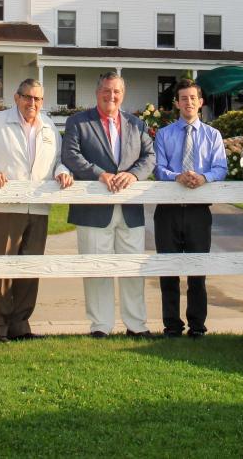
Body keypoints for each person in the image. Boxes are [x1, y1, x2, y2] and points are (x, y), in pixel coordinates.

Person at [0, 78, 73, 342]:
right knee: (3, 269)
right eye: (27, 97)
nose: (32, 103)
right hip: (6, 207)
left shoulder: (48, 126)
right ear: (17, 97)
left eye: (37, 99)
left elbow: (60, 160)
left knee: (30, 268)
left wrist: (62, 172)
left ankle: (20, 326)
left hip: (38, 208)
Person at [61, 71, 156, 338]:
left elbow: (150, 156)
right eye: (106, 90)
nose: (111, 96)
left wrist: (133, 174)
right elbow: (70, 154)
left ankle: (136, 325)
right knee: (96, 268)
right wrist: (99, 174)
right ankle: (100, 325)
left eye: (116, 91)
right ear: (97, 92)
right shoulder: (79, 122)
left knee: (132, 269)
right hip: (92, 209)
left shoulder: (136, 124)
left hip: (130, 209)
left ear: (122, 94)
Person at [152, 78, 228, 337]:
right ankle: (172, 325)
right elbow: (158, 168)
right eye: (183, 98)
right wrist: (177, 176)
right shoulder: (164, 135)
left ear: (201, 102)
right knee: (168, 270)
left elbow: (221, 168)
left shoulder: (213, 135)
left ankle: (197, 326)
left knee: (198, 270)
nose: (188, 102)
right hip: (167, 211)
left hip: (198, 211)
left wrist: (204, 177)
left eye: (193, 98)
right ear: (177, 103)